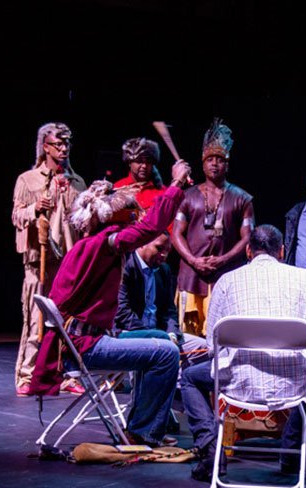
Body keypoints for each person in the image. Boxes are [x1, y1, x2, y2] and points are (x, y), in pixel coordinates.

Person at [28, 160, 194, 449]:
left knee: (160, 338)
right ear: (114, 217)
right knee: (166, 353)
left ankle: (141, 423)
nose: (137, 216)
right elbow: (150, 228)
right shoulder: (102, 245)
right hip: (84, 347)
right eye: (132, 212)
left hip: (85, 339)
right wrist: (176, 185)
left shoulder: (90, 245)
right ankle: (143, 432)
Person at [180, 225, 306, 481]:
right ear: (282, 252)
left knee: (189, 378)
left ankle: (210, 449)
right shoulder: (305, 279)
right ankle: (292, 453)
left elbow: (212, 343)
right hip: (293, 386)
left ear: (249, 251)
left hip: (236, 384)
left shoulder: (227, 281)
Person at [13, 122, 86, 397]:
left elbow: (82, 221)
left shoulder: (77, 182)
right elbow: (16, 216)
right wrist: (35, 208)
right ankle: (28, 374)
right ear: (45, 146)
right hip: (39, 263)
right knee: (35, 322)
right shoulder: (28, 180)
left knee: (65, 322)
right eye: (58, 144)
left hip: (68, 263)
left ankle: (64, 374)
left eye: (67, 144)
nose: (64, 148)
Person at [171, 118, 254, 336]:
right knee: (189, 336)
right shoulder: (187, 197)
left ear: (227, 164)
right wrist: (193, 260)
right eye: (210, 159)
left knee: (224, 335)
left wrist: (223, 259)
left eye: (220, 159)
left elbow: (247, 238)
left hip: (226, 275)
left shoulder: (242, 199)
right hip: (191, 275)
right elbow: (176, 233)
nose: (215, 164)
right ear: (202, 163)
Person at [115, 233, 207, 366]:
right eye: (159, 248)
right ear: (142, 244)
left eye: (168, 251)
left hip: (162, 334)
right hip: (132, 333)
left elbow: (169, 310)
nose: (164, 255)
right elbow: (122, 312)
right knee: (163, 354)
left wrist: (172, 333)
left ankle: (183, 383)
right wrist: (154, 335)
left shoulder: (163, 270)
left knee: (205, 349)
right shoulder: (126, 266)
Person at [113, 137, 165, 210]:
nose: (144, 166)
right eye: (139, 161)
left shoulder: (163, 192)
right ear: (129, 162)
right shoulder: (117, 189)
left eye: (148, 162)